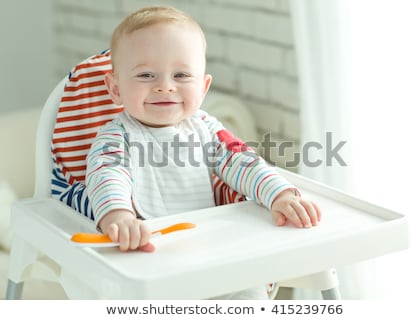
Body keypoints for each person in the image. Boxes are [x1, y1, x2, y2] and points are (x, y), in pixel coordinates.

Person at [85, 5, 321, 299]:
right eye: (146, 75)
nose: (165, 87)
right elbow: (107, 174)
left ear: (204, 86)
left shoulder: (207, 130)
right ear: (116, 88)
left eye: (181, 75)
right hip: (151, 254)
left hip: (212, 250)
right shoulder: (115, 136)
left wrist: (280, 194)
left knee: (249, 290)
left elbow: (243, 162)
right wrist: (119, 217)